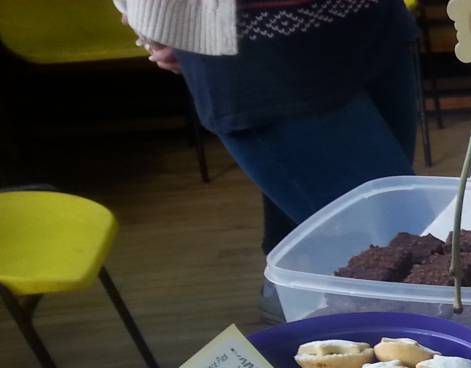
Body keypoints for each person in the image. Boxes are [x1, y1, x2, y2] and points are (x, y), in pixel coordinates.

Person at [116, 0, 419, 320]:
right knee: (405, 252)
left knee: (402, 235)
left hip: (369, 19)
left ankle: (299, 300)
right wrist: (157, 20)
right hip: (255, 45)